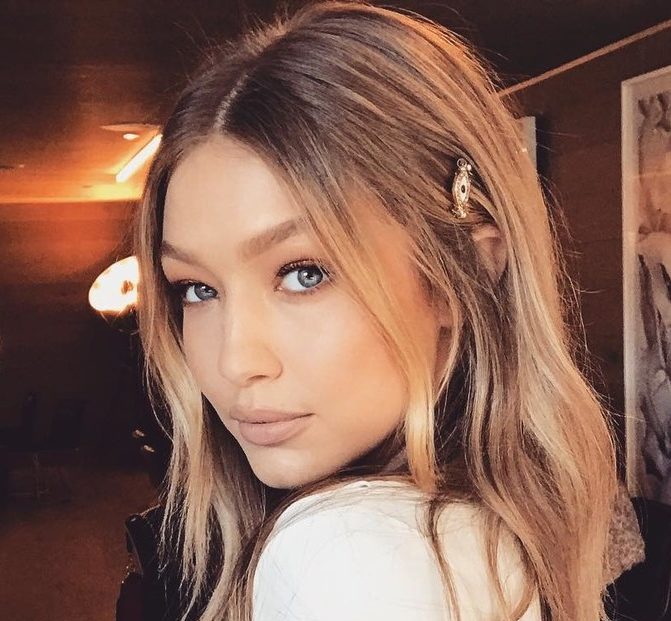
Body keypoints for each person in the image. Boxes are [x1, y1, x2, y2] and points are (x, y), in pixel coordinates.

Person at [133, 2, 620, 620]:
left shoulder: (346, 559)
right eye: (197, 289)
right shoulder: (485, 533)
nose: (235, 361)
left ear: (461, 275)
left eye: (305, 274)